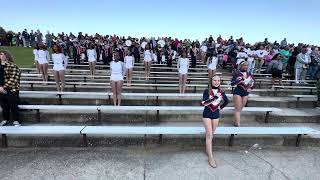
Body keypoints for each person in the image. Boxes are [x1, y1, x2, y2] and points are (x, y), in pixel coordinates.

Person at [201, 75, 229, 168]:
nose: (216, 82)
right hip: (207, 114)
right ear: (211, 81)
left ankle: (207, 148)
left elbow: (227, 101)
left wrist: (220, 108)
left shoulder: (221, 92)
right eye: (215, 80)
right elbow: (204, 103)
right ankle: (210, 156)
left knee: (211, 134)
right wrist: (214, 98)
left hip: (216, 114)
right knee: (209, 134)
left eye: (218, 80)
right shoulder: (207, 91)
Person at [0, 50, 21, 126]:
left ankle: (16, 120)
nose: (0, 55)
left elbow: (14, 78)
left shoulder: (12, 65)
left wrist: (4, 87)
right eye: (0, 54)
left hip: (11, 89)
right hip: (0, 90)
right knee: (4, 106)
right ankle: (5, 119)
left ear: (6, 56)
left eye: (2, 54)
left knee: (13, 105)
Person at [231, 61, 255, 127]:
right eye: (244, 65)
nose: (245, 66)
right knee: (238, 109)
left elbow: (253, 82)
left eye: (247, 65)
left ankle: (235, 120)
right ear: (241, 66)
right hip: (238, 91)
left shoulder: (249, 74)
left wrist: (251, 88)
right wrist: (240, 80)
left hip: (245, 92)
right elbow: (232, 83)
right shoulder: (237, 73)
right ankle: (238, 124)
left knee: (240, 108)